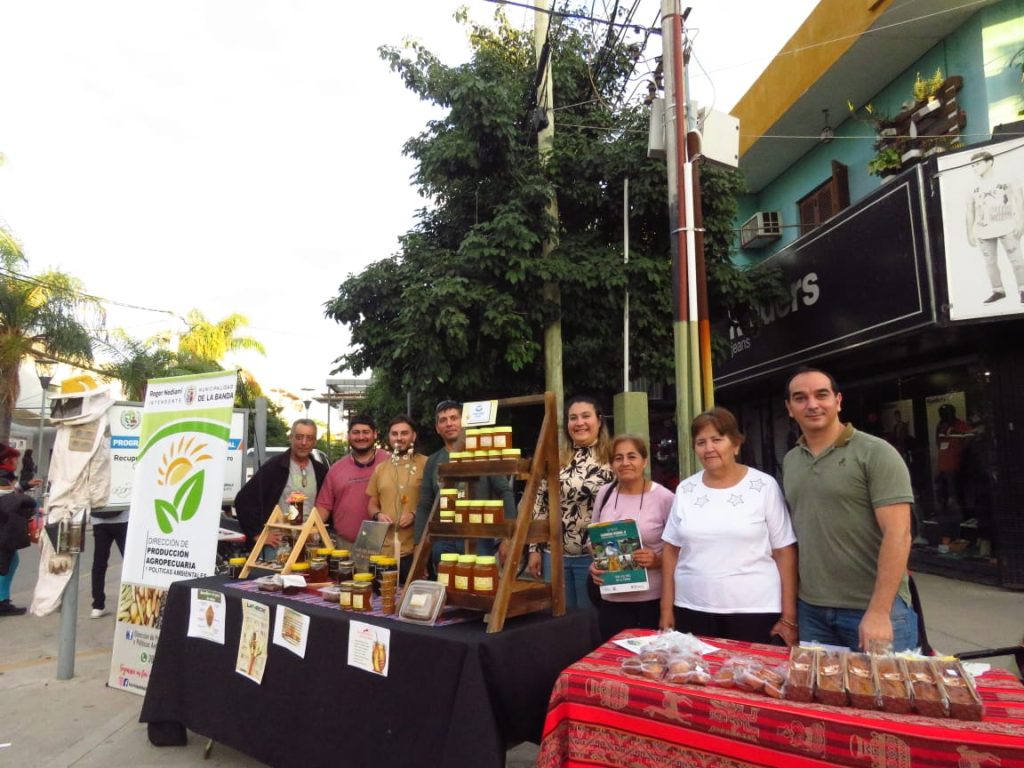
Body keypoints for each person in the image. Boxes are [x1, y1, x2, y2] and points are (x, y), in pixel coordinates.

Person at [783, 367, 918, 652]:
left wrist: (880, 611)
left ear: (838, 401)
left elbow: (899, 534)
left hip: (873, 609)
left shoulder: (876, 453)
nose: (812, 404)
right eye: (800, 398)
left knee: (885, 695)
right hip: (812, 611)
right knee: (817, 695)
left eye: (822, 395)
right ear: (790, 409)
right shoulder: (792, 460)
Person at [659, 408, 798, 645]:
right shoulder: (686, 490)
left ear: (735, 444)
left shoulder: (764, 486)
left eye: (717, 439)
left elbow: (784, 552)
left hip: (755, 610)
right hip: (692, 606)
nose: (708, 448)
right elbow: (671, 551)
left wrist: (789, 616)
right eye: (701, 442)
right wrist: (666, 608)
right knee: (694, 678)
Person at [527, 394, 614, 610]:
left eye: (586, 416)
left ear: (599, 420)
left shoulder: (613, 459)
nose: (579, 423)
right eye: (573, 418)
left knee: (590, 622)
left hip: (595, 559)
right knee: (556, 623)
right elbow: (540, 504)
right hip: (554, 556)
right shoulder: (554, 459)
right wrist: (533, 549)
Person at [588, 435, 674, 641]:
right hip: (612, 599)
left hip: (652, 601)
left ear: (644, 461)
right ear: (611, 464)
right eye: (618, 458)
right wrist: (596, 564)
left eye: (632, 456)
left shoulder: (664, 498)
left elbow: (680, 550)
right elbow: (593, 539)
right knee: (613, 659)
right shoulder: (604, 493)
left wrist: (657, 560)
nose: (625, 463)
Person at [413, 400, 515, 569]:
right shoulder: (433, 461)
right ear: (437, 428)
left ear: (464, 422)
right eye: (443, 420)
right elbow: (425, 504)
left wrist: (509, 536)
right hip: (443, 539)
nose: (449, 423)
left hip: (480, 537)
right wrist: (419, 544)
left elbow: (505, 491)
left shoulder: (484, 455)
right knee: (446, 589)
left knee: (480, 591)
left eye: (454, 418)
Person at [235, 419, 328, 548]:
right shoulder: (275, 467)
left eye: (309, 438)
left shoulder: (320, 470)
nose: (304, 442)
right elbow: (243, 499)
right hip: (279, 546)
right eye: (299, 437)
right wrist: (257, 534)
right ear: (291, 438)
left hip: (309, 543)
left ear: (314, 442)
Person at [315, 415, 390, 550]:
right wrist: (310, 529)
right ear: (348, 436)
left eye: (366, 432)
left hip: (385, 545)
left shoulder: (390, 462)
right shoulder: (336, 469)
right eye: (355, 432)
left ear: (375, 434)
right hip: (345, 546)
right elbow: (324, 507)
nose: (361, 437)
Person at [367, 415, 427, 580]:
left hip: (414, 550)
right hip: (384, 551)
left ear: (413, 436)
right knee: (384, 600)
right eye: (394, 434)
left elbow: (436, 503)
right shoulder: (381, 469)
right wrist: (377, 515)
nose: (399, 438)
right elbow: (372, 504)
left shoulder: (426, 464)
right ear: (389, 437)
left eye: (404, 433)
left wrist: (415, 515)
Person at [964, 150, 1024, 304]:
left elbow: (1019, 199)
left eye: (978, 164)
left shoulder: (1006, 178)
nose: (975, 167)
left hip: (1006, 223)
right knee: (990, 261)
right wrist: (969, 232)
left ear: (989, 162)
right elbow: (969, 209)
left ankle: (1023, 288)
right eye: (973, 165)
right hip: (984, 228)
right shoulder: (972, 187)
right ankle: (998, 290)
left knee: (1016, 259)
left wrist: (1021, 222)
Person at [0, 470, 37, 616]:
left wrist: (23, 486)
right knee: (4, 568)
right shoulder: (10, 499)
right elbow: (28, 501)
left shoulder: (9, 497)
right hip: (5, 540)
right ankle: (2, 602)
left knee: (11, 563)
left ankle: (4, 599)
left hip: (6, 539)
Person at [934, 403, 973, 519]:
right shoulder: (941, 426)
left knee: (956, 493)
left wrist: (960, 451)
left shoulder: (961, 425)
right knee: (942, 492)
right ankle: (946, 516)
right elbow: (939, 443)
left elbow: (969, 440)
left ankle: (962, 516)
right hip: (943, 466)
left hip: (956, 465)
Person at [89, 506, 128, 619]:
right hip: (122, 518)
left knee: (99, 563)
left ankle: (98, 605)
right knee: (129, 564)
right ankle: (132, 601)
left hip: (99, 517)